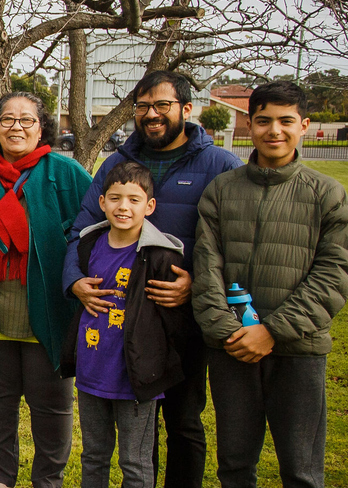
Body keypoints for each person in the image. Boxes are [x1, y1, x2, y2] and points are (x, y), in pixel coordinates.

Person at [62, 70, 241, 488]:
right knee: (133, 438)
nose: (152, 114)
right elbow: (81, 231)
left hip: (179, 320)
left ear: (186, 109)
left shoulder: (219, 165)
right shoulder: (117, 165)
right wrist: (74, 280)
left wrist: (197, 283)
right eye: (142, 106)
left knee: (182, 420)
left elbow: (236, 241)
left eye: (162, 105)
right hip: (119, 324)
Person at [193, 80, 348, 488]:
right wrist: (230, 332)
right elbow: (205, 267)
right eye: (264, 121)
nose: (274, 131)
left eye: (286, 121)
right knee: (233, 465)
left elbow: (335, 273)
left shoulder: (326, 194)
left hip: (298, 349)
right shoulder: (221, 191)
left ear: (304, 125)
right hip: (232, 349)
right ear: (250, 125)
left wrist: (271, 331)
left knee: (301, 469)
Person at [0, 91, 91, 488]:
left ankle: (48, 479)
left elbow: (90, 233)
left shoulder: (64, 173)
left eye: (27, 120)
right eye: (8, 119)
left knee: (53, 407)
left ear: (42, 128)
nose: (17, 127)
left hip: (48, 312)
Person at [63, 161, 193, 488]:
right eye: (115, 198)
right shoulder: (88, 245)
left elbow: (172, 320)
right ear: (102, 202)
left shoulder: (162, 256)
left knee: (134, 461)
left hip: (136, 377)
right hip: (92, 370)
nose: (123, 207)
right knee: (94, 454)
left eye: (134, 200)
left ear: (149, 206)